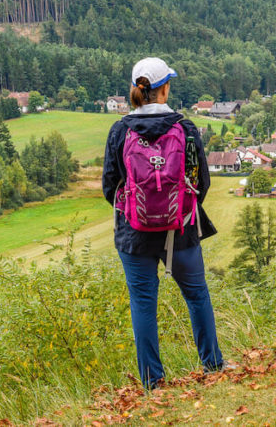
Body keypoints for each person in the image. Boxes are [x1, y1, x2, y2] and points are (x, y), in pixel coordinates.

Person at [102, 57, 223, 389]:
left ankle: (153, 383)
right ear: (164, 88)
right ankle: (213, 367)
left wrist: (135, 211)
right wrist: (180, 210)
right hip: (180, 230)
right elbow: (202, 183)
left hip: (134, 235)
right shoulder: (184, 128)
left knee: (143, 303)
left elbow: (109, 187)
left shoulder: (119, 130)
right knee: (197, 295)